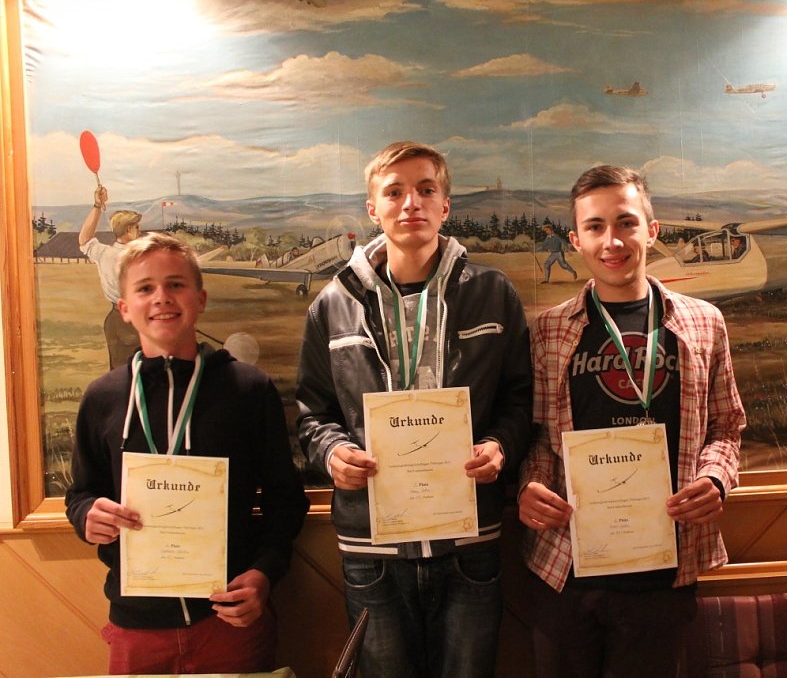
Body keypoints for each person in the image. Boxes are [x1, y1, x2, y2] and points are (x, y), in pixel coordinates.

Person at [295, 141, 532, 677]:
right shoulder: (333, 304)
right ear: (372, 209)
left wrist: (500, 446)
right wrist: (332, 454)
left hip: (469, 537)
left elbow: (520, 400)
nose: (411, 203)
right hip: (372, 546)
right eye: (394, 192)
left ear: (445, 206)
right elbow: (312, 412)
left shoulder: (492, 293)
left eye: (426, 190)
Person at [518, 165, 746, 677]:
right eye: (595, 227)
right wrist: (529, 485)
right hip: (565, 568)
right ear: (576, 240)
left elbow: (726, 426)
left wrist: (715, 479)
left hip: (664, 571)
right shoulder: (549, 330)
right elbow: (536, 437)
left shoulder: (704, 323)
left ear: (652, 229)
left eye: (626, 222)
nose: (612, 241)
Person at [65, 233, 309, 675]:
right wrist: (87, 516)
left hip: (229, 617)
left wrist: (264, 574)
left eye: (175, 284)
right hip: (136, 624)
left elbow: (285, 499)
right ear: (124, 308)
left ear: (200, 299)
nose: (161, 297)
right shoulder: (102, 397)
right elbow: (81, 494)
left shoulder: (249, 390)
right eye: (145, 288)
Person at [79, 185, 143, 369]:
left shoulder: (104, 253)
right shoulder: (139, 258)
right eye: (136, 227)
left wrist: (97, 206)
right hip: (135, 320)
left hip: (114, 320)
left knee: (117, 373)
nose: (139, 230)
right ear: (128, 230)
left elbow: (84, 240)